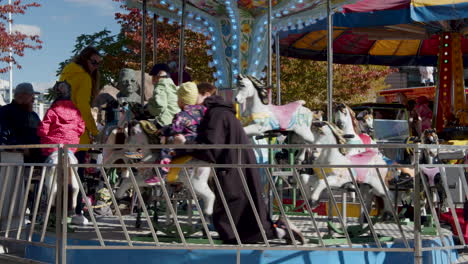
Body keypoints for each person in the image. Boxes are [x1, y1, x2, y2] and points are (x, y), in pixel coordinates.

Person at [190, 95, 305, 244]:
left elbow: (212, 146)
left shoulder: (215, 115)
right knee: (245, 215)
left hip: (231, 169)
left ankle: (279, 230)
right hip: (238, 166)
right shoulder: (224, 113)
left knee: (232, 217)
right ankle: (280, 230)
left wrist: (184, 148)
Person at [59, 46, 102, 225]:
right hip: (78, 132)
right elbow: (84, 107)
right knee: (78, 175)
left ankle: (58, 212)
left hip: (61, 130)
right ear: (85, 60)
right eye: (93, 62)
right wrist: (94, 130)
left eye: (99, 63)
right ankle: (76, 212)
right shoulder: (84, 78)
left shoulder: (65, 74)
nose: (96, 67)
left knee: (61, 174)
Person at [144, 82, 206, 185]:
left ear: (181, 100)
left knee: (167, 148)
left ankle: (161, 174)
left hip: (186, 143)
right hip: (199, 141)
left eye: (178, 98)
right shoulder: (202, 110)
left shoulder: (182, 114)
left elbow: (174, 128)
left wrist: (162, 132)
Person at [37, 81, 85, 157]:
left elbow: (43, 130)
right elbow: (81, 130)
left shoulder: (52, 111)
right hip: (71, 147)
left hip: (53, 147)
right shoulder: (76, 111)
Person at [0, 82, 42, 162]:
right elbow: (3, 136)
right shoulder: (4, 112)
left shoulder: (33, 115)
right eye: (31, 95)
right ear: (21, 96)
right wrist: (20, 149)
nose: (33, 99)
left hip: (33, 165)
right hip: (11, 163)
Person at [146, 63, 180, 127]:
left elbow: (160, 106)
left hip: (164, 122)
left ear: (159, 75)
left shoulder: (160, 87)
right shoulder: (172, 85)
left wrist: (148, 108)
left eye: (153, 76)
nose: (152, 79)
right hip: (175, 120)